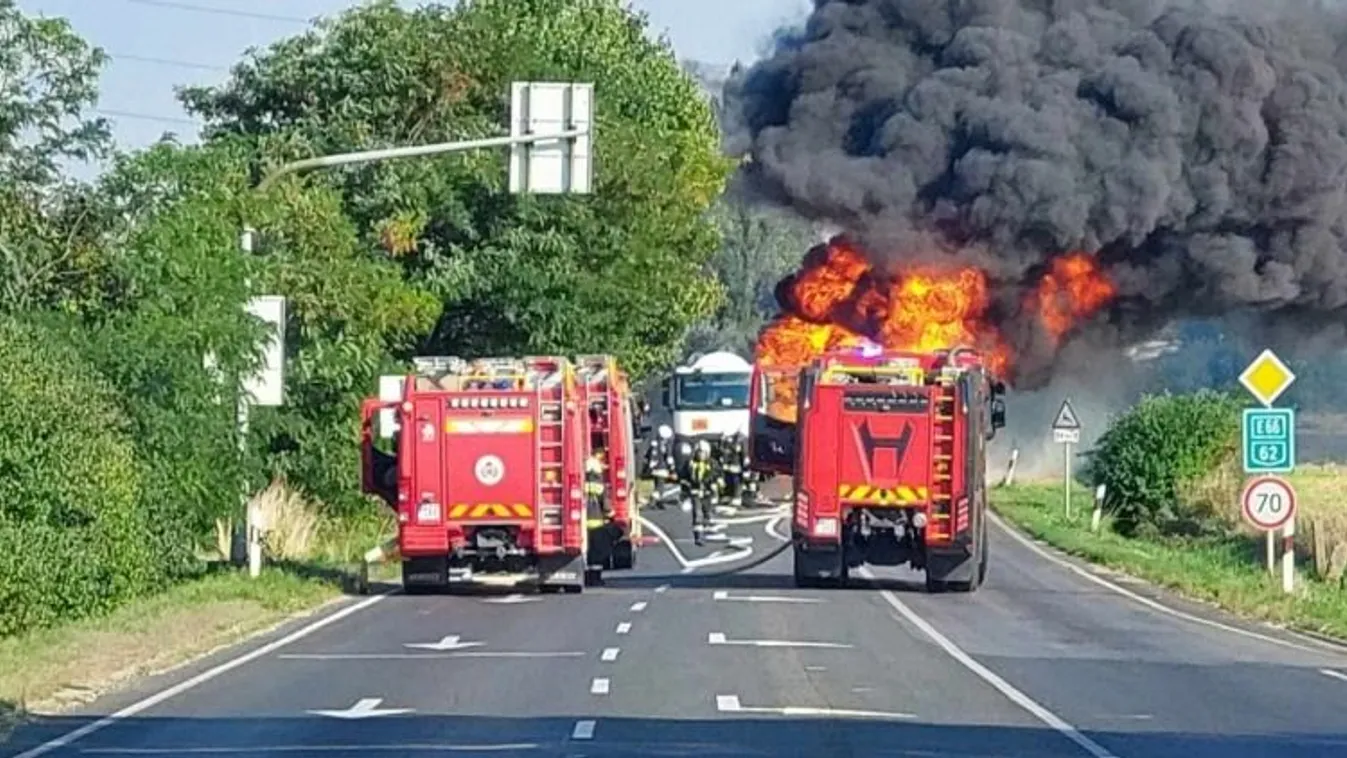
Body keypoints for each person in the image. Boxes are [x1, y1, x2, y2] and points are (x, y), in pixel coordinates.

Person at [683, 439, 720, 546]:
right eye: (699, 452)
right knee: (697, 514)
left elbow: (716, 475)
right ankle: (698, 536)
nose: (701, 455)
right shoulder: (691, 464)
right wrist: (685, 491)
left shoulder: (712, 464)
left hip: (708, 493)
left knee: (708, 512)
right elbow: (685, 477)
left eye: (703, 452)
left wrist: (712, 485)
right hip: (695, 493)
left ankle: (708, 531)